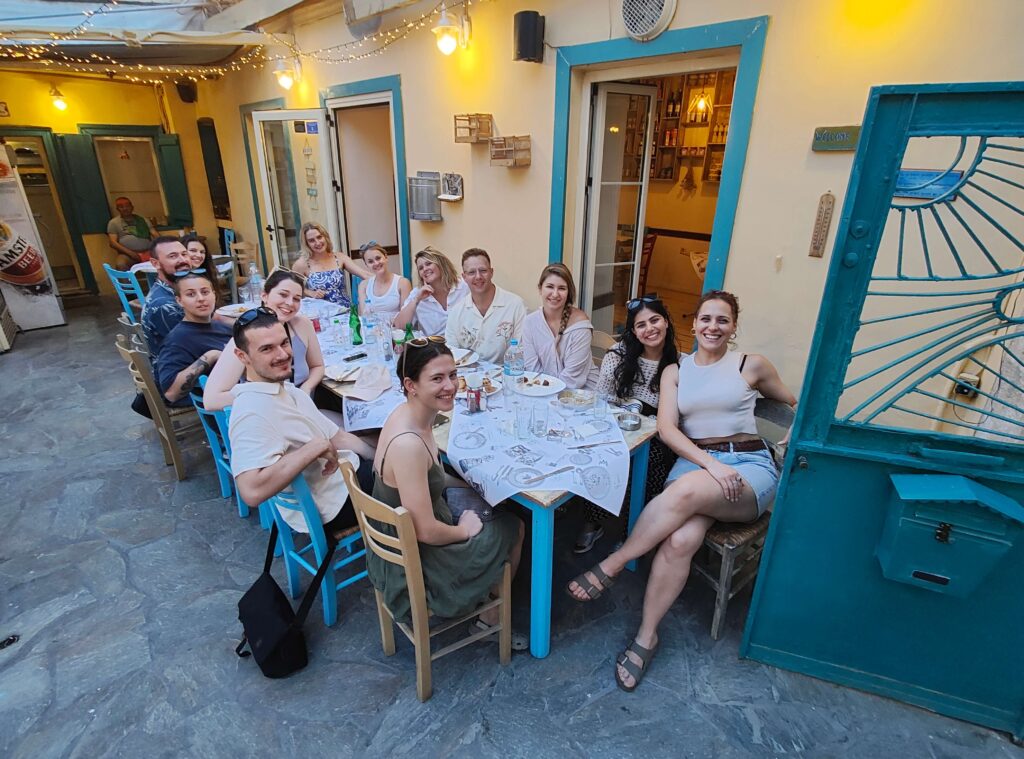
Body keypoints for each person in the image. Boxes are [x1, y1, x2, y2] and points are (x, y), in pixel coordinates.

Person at [566, 290, 797, 692]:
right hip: (699, 463)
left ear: (733, 326)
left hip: (747, 465)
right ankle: (646, 637)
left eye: (722, 320)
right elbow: (669, 429)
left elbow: (801, 402)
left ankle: (614, 563)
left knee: (687, 493)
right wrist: (711, 464)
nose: (713, 327)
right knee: (680, 540)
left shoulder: (750, 365)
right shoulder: (677, 370)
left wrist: (790, 437)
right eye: (706, 319)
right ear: (693, 323)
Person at [366, 338, 525, 639]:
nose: (450, 386)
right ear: (410, 384)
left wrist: (471, 485)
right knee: (515, 525)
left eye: (452, 375)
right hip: (416, 563)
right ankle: (489, 617)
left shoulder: (409, 415)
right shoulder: (408, 444)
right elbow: (426, 531)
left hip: (401, 540)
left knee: (489, 500)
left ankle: (484, 594)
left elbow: (431, 478)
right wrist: (464, 530)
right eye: (436, 379)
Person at [228, 308, 374, 538]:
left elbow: (339, 438)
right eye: (267, 349)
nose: (282, 354)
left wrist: (378, 459)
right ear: (242, 356)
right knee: (411, 470)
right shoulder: (252, 411)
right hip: (331, 505)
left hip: (342, 479)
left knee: (395, 450)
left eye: (284, 343)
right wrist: (314, 447)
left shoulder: (286, 390)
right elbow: (250, 491)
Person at [574, 296, 680, 553]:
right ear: (633, 331)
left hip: (655, 435)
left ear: (666, 322)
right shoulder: (617, 356)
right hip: (615, 425)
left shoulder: (679, 364)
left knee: (649, 461)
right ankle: (592, 520)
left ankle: (631, 531)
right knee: (598, 455)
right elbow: (601, 399)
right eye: (641, 325)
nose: (650, 329)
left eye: (655, 320)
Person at [203, 270, 329, 412]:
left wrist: (306, 388)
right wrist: (272, 396)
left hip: (304, 410)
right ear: (264, 295)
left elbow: (317, 366)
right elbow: (211, 401)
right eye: (283, 294)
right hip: (268, 416)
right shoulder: (248, 335)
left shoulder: (302, 324)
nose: (289, 303)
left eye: (296, 298)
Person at [157, 271, 232, 407]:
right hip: (223, 410)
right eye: (191, 294)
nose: (201, 299)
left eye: (205, 292)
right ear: (179, 301)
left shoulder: (221, 326)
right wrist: (209, 357)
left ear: (214, 295)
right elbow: (171, 394)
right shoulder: (178, 340)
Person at [519, 263, 598, 389]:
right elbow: (533, 370)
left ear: (568, 293)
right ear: (540, 289)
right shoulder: (530, 323)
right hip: (542, 391)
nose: (555, 294)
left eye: (562, 288)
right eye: (550, 287)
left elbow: (572, 379)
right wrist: (542, 391)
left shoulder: (580, 327)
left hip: (582, 394)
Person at [444, 248, 526, 364]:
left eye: (483, 270)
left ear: (491, 272)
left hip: (505, 376)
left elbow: (521, 349)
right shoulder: (456, 311)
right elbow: (451, 352)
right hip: (468, 377)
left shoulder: (515, 305)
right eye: (471, 272)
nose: (478, 276)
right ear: (464, 277)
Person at [291, 223, 371, 308]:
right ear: (306, 244)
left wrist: (385, 281)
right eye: (311, 240)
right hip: (320, 315)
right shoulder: (301, 264)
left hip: (344, 311)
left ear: (325, 237)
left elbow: (364, 274)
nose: (317, 243)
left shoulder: (339, 257)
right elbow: (293, 288)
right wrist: (310, 293)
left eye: (319, 237)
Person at [140, 236, 191, 369]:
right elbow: (191, 347)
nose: (183, 260)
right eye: (173, 256)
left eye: (184, 254)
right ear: (155, 263)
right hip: (179, 375)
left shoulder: (170, 290)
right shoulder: (164, 305)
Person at [393, 246, 468, 336]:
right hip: (435, 347)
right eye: (420, 268)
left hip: (465, 344)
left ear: (441, 264)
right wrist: (416, 300)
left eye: (428, 264)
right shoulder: (417, 294)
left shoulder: (464, 286)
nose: (425, 269)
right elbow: (398, 326)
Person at [357, 243, 411, 326]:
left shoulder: (403, 283)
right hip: (373, 333)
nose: (376, 263)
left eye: (378, 258)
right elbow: (364, 317)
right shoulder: (363, 286)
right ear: (366, 265)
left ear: (386, 257)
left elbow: (406, 319)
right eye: (370, 261)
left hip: (397, 332)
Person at [108, 196, 156, 271]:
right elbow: (113, 243)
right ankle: (128, 283)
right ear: (117, 209)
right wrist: (131, 253)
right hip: (128, 255)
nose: (125, 208)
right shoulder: (113, 223)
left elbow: (155, 234)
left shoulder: (143, 220)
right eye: (121, 207)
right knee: (120, 264)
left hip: (148, 252)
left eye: (127, 206)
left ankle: (159, 282)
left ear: (132, 207)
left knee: (165, 260)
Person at [180, 233, 224, 306]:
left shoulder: (206, 274)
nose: (199, 255)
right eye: (193, 250)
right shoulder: (177, 278)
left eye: (202, 252)